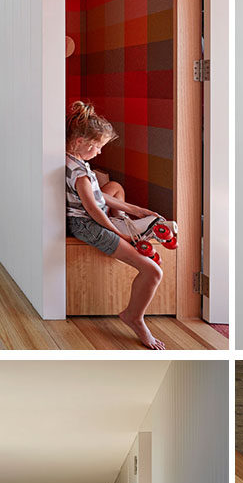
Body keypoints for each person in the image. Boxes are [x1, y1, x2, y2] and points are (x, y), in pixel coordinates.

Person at [65, 100, 169, 351]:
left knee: (116, 188)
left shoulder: (74, 160)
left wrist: (137, 209)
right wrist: (117, 232)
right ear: (80, 142)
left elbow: (99, 195)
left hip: (90, 217)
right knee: (153, 271)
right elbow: (91, 208)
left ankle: (131, 223)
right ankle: (134, 317)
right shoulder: (78, 174)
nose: (99, 152)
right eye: (97, 147)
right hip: (89, 225)